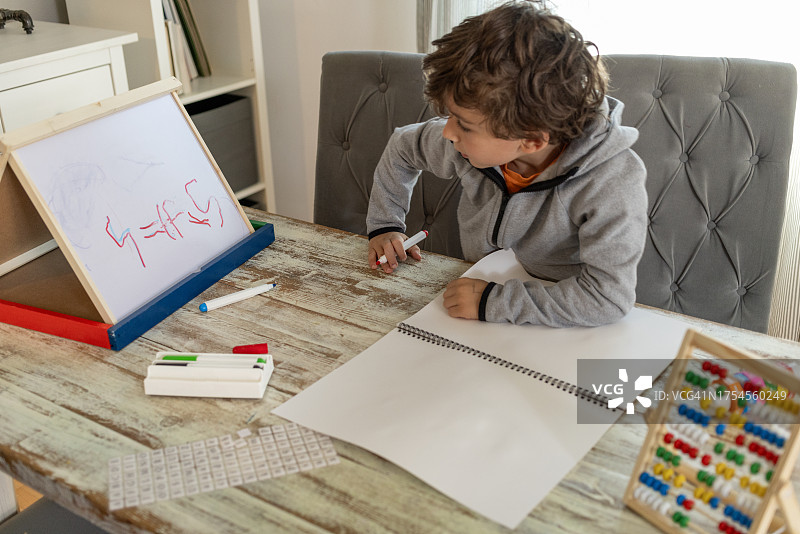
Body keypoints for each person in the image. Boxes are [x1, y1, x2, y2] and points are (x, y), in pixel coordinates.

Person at [366, 0, 647, 327]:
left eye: (463, 124)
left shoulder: (612, 180)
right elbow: (403, 146)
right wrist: (386, 225)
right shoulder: (468, 143)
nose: (447, 132)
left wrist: (493, 302)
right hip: (476, 288)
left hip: (562, 312)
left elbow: (607, 298)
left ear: (532, 140)